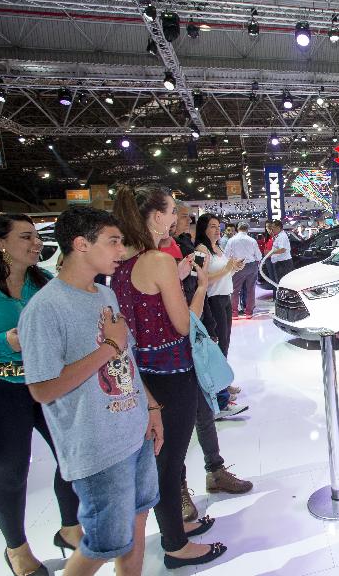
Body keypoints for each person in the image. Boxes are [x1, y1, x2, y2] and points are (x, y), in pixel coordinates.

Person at [18, 207, 162, 576]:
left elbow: (124, 361)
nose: (121, 248)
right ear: (81, 244)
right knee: (104, 543)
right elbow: (42, 389)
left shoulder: (104, 293)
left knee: (139, 520)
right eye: (112, 241)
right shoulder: (44, 309)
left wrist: (151, 406)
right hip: (97, 447)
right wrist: (108, 348)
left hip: (134, 430)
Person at [110, 185, 227, 570]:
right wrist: (200, 286)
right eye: (173, 210)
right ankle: (176, 545)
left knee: (164, 459)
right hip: (174, 371)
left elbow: (142, 313)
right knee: (170, 460)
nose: (177, 218)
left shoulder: (124, 263)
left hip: (144, 374)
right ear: (158, 217)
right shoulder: (157, 260)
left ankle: (176, 529)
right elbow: (181, 325)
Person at [0, 214, 81, 576]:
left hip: (48, 384)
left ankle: (70, 528)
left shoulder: (42, 282)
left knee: (72, 458)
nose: (37, 244)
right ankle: (17, 550)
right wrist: (4, 342)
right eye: (26, 237)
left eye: (35, 237)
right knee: (13, 472)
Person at [171, 207, 251, 519]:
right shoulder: (157, 255)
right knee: (174, 427)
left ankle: (214, 470)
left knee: (203, 412)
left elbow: (195, 288)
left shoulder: (182, 248)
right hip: (168, 348)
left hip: (195, 323)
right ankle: (176, 489)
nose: (184, 221)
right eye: (178, 216)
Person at [194, 214, 249, 421]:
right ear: (203, 229)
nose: (217, 230)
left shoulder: (218, 247)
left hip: (225, 297)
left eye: (219, 226)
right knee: (218, 347)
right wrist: (227, 268)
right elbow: (202, 281)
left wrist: (233, 269)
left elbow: (224, 275)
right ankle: (219, 397)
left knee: (224, 344)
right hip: (213, 301)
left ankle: (223, 385)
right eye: (212, 227)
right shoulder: (201, 250)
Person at [224, 222, 261, 318]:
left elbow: (226, 256)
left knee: (235, 290)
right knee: (251, 289)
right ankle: (249, 312)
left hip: (237, 265)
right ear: (247, 230)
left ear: (237, 229)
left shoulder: (231, 240)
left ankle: (234, 313)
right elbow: (259, 256)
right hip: (251, 266)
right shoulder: (252, 240)